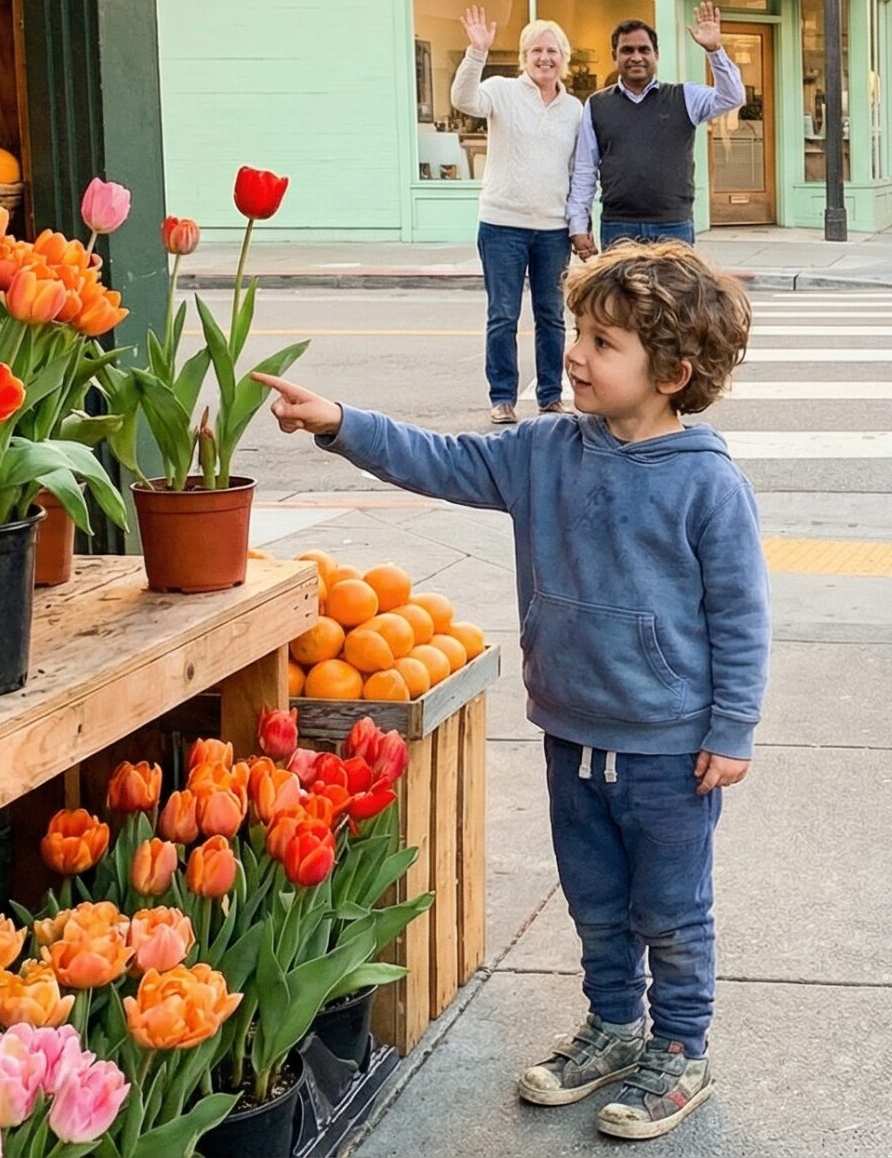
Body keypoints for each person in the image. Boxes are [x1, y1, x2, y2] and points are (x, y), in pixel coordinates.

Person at [251, 239, 766, 1145]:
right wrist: (340, 421)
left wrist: (731, 728)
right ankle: (613, 1028)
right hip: (573, 731)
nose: (574, 353)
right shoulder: (545, 451)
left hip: (668, 747)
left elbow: (740, 614)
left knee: (672, 910)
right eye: (577, 332)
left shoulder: (706, 481)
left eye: (604, 343)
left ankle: (680, 1048)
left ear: (674, 373)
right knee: (596, 900)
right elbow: (440, 459)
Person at [457, 8, 587, 424]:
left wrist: (577, 221)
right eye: (536, 50)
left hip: (552, 229)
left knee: (551, 315)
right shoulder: (501, 91)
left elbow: (578, 169)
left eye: (552, 50)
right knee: (503, 315)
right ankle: (502, 397)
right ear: (523, 57)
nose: (544, 57)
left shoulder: (575, 110)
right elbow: (464, 99)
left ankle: (551, 394)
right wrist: (477, 52)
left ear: (564, 58)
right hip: (502, 225)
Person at [566, 3, 747, 257]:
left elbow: (733, 97)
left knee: (673, 297)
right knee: (623, 298)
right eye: (627, 50)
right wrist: (578, 224)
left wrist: (714, 50)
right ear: (614, 55)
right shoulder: (597, 105)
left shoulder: (684, 97)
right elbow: (585, 170)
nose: (636, 57)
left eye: (644, 50)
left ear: (656, 55)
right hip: (619, 228)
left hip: (673, 226)